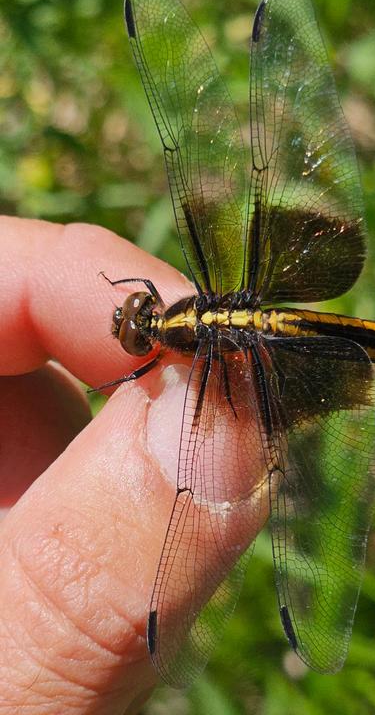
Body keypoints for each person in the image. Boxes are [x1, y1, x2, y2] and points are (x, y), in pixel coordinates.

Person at [0, 215, 259, 712]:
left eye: (141, 312)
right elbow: (139, 286)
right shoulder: (192, 330)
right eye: (140, 323)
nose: (135, 317)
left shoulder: (173, 347)